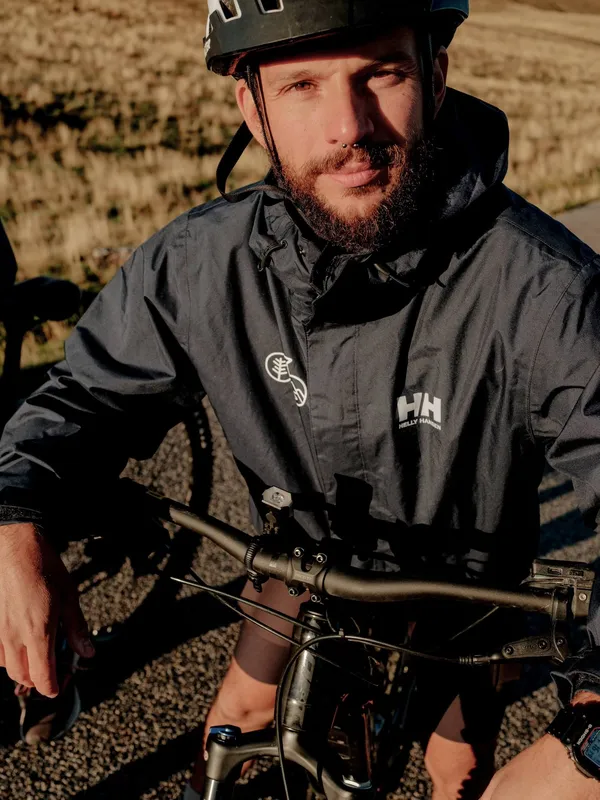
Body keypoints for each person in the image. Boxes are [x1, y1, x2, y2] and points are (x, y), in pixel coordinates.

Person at [1, 0, 600, 797]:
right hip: (296, 562)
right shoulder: (198, 265)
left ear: (437, 74)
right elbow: (81, 400)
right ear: (251, 106)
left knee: (457, 767)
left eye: (381, 73)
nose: (347, 125)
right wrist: (17, 521)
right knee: (231, 730)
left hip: (464, 591)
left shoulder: (547, 290)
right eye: (302, 86)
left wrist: (589, 740)